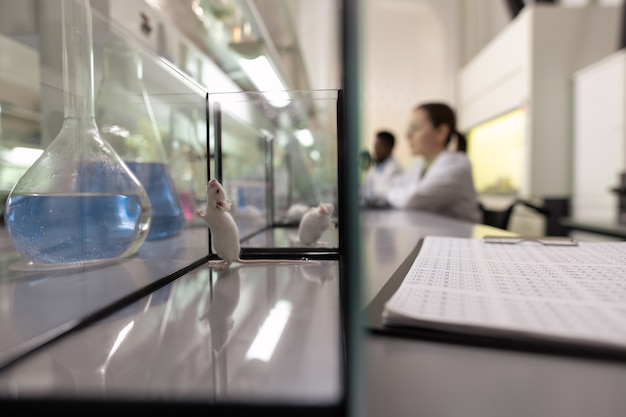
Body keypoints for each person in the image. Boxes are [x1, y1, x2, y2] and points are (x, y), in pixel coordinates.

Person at [383, 102, 482, 223]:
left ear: (441, 132)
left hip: (459, 239)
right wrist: (391, 191)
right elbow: (396, 187)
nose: (408, 135)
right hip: (431, 233)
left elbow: (411, 200)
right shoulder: (418, 166)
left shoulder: (457, 165)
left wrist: (387, 191)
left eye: (415, 128)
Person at [361, 130, 403, 207]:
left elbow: (383, 194)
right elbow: (366, 187)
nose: (376, 149)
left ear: (389, 147)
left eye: (379, 146)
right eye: (375, 145)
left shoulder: (394, 168)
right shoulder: (376, 166)